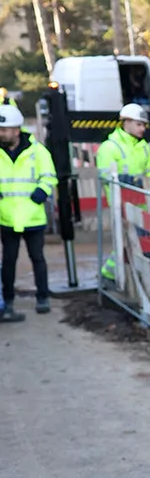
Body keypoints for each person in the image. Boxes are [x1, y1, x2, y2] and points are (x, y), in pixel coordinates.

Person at [0, 103, 55, 320]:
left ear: (16, 130)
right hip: (7, 217)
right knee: (9, 261)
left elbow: (49, 175)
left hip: (33, 216)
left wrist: (42, 191)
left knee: (37, 258)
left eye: (4, 130)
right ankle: (8, 300)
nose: (1, 133)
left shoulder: (37, 152)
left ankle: (43, 296)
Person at [98, 103, 150, 284]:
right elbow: (105, 175)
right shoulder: (109, 147)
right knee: (126, 242)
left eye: (144, 125)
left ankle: (139, 278)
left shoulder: (143, 147)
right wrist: (122, 179)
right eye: (139, 124)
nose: (143, 129)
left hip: (142, 205)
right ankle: (110, 275)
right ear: (126, 123)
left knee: (144, 243)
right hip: (120, 205)